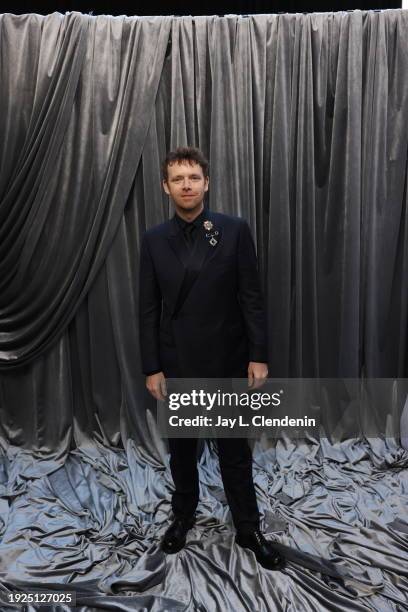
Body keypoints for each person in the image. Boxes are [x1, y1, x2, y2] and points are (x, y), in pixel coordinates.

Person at [138, 146, 284, 570]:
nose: (187, 185)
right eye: (178, 179)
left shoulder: (234, 230)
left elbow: (251, 297)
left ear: (207, 183)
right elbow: (148, 308)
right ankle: (182, 518)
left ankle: (248, 527)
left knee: (234, 451)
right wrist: (152, 365)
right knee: (182, 450)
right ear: (166, 187)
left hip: (227, 358)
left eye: (194, 178)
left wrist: (259, 355)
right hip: (177, 361)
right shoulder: (152, 240)